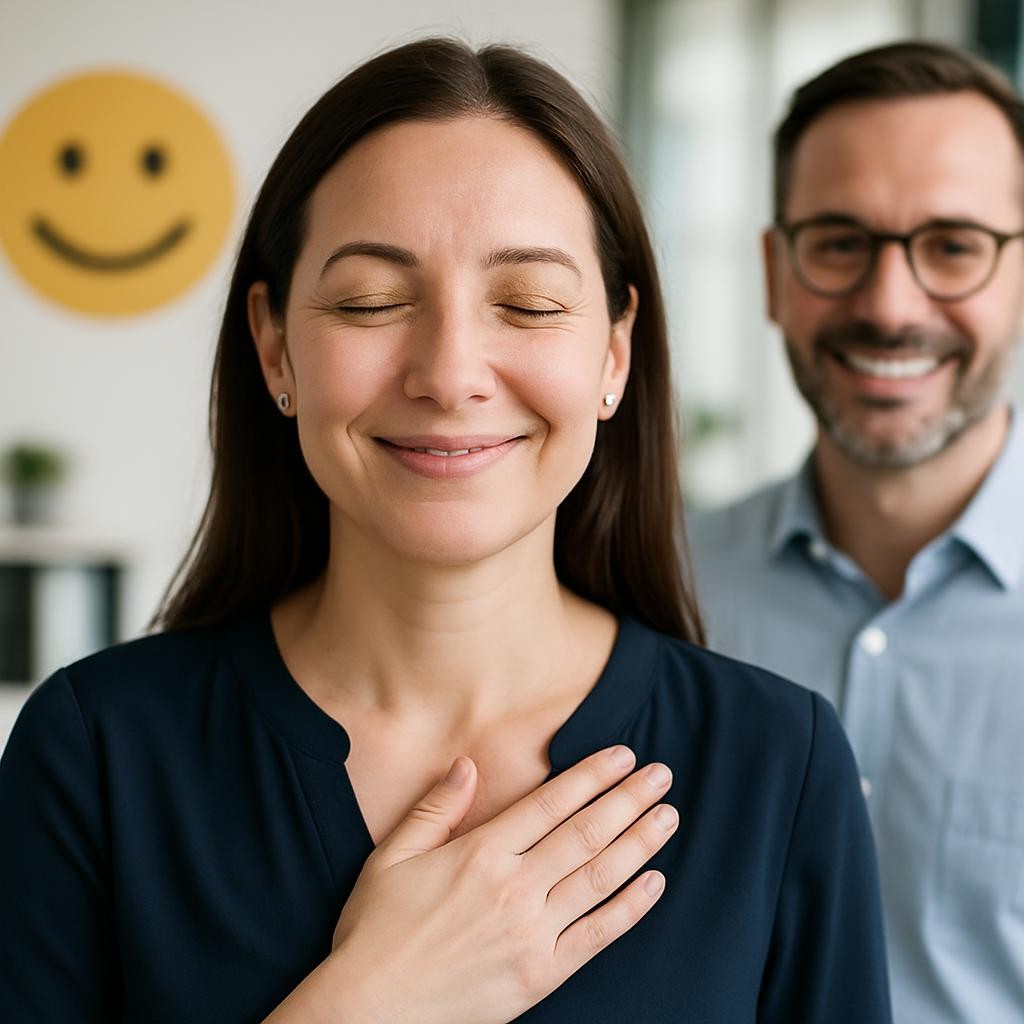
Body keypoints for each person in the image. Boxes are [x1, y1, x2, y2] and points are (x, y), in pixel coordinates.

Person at [0, 38, 890, 1023]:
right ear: (273, 344)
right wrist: (371, 1001)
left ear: (613, 351)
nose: (449, 370)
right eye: (371, 301)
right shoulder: (97, 752)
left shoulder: (775, 761)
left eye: (529, 303)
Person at [689, 41, 1024, 1024]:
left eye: (953, 245)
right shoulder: (656, 593)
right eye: (838, 242)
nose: (887, 303)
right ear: (772, 271)